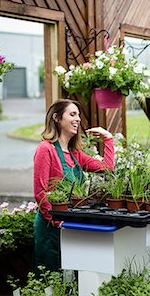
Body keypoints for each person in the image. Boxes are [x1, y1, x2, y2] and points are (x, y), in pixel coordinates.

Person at [33, 99, 115, 272]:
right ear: (56, 117)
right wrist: (58, 222)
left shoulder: (75, 153)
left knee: (73, 278)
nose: (78, 119)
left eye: (78, 115)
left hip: (71, 226)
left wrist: (108, 139)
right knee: (51, 278)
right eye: (72, 114)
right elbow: (40, 192)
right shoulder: (45, 149)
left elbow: (107, 168)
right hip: (51, 228)